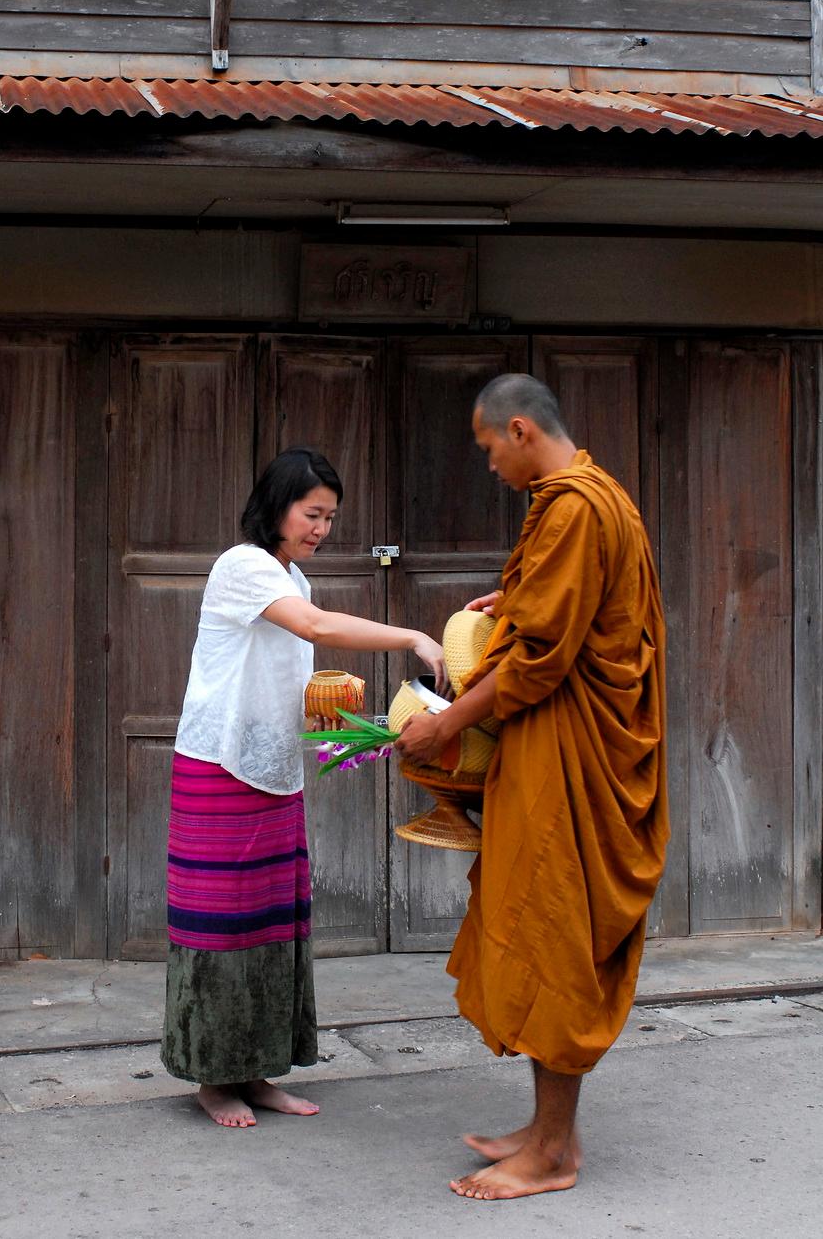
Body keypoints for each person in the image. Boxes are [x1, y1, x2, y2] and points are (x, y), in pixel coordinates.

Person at [396, 373, 669, 1201]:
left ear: (519, 430)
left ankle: (552, 1154)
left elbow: (543, 660)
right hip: (571, 752)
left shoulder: (577, 506)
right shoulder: (597, 495)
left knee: (554, 934)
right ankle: (551, 1130)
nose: (488, 467)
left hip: (571, 761)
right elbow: (566, 612)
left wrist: (446, 725)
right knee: (548, 927)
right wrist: (514, 597)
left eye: (487, 449)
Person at [161, 445, 446, 1129]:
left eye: (330, 517)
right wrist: (412, 635)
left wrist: (352, 724)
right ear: (278, 505)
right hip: (220, 767)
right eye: (312, 513)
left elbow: (289, 672)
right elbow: (315, 629)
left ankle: (257, 1070)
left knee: (271, 921)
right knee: (221, 924)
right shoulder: (244, 566)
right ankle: (213, 1077)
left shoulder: (292, 577)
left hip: (273, 768)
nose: (321, 528)